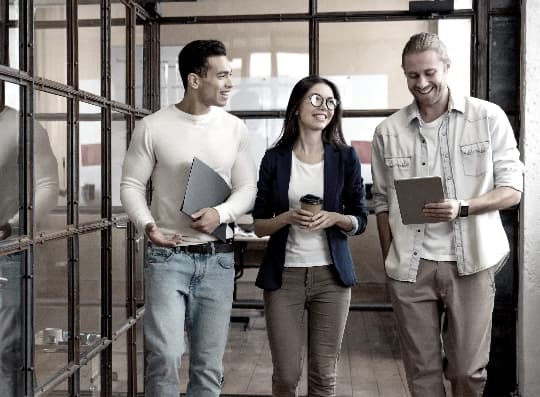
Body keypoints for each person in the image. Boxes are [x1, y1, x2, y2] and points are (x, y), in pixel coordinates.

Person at [371, 32, 524, 397]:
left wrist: (463, 207)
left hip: (470, 263)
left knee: (468, 372)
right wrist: (391, 261)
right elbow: (381, 201)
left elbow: (513, 191)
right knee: (421, 374)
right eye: (412, 75)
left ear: (447, 68)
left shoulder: (487, 117)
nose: (421, 83)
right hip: (410, 266)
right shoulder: (387, 131)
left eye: (429, 73)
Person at [120, 40, 257, 397]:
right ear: (195, 80)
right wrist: (148, 227)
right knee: (164, 357)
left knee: (208, 366)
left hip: (218, 259)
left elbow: (247, 189)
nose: (229, 83)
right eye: (222, 75)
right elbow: (131, 185)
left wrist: (221, 213)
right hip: (167, 257)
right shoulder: (153, 127)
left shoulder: (234, 129)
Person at [253, 75, 369, 397]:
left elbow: (361, 219)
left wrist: (334, 217)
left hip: (331, 278)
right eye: (316, 99)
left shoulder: (345, 158)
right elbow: (258, 224)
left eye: (331, 101)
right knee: (287, 376)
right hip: (284, 277)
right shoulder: (274, 159)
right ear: (296, 108)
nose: (325, 107)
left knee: (323, 377)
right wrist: (287, 218)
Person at [0, 99, 59, 397]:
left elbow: (48, 185)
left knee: (7, 350)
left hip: (8, 252)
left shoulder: (24, 126)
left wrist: (12, 224)